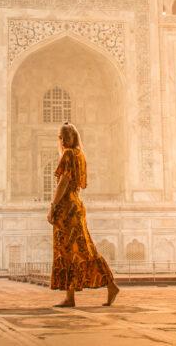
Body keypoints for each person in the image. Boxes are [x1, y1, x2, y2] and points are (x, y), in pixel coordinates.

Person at [47, 121, 120, 307]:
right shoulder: (80, 155)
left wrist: (53, 206)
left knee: (67, 251)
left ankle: (74, 296)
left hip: (66, 208)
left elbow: (63, 181)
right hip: (76, 205)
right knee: (81, 250)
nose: (62, 140)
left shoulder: (69, 154)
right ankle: (78, 295)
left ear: (63, 138)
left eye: (62, 137)